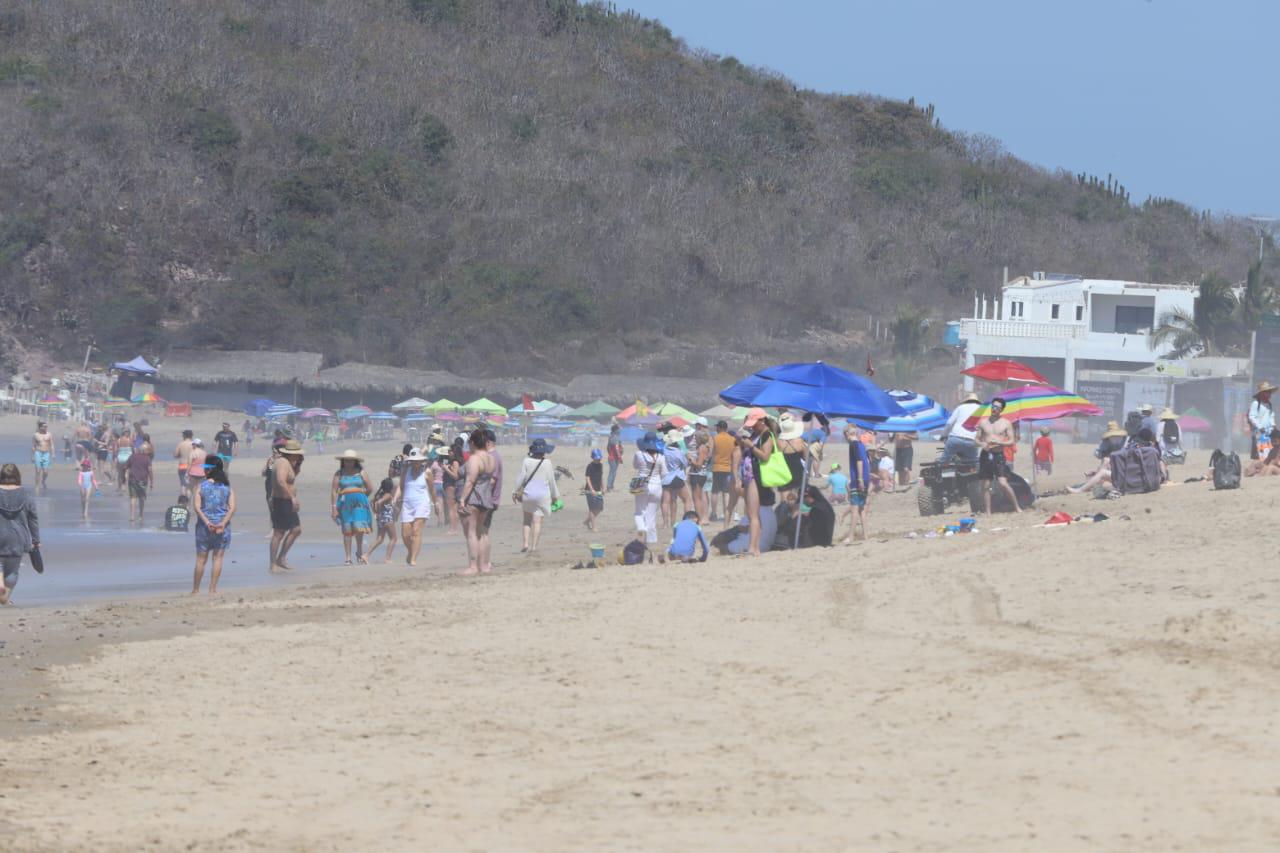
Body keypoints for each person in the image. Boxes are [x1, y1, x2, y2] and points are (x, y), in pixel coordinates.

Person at [736, 413, 782, 557]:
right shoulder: (757, 434)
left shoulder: (766, 435)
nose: (752, 426)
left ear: (762, 421)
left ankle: (753, 548)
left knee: (753, 514)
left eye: (754, 423)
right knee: (752, 514)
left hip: (756, 476)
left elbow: (765, 456)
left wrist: (751, 446)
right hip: (751, 476)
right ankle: (753, 547)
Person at [190, 455, 235, 595]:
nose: (204, 471)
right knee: (218, 558)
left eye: (206, 468)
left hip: (204, 527)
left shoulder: (200, 486)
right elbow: (232, 508)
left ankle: (196, 590)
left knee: (201, 559)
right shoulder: (227, 487)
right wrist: (222, 523)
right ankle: (212, 589)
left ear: (210, 470)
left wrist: (207, 522)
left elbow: (197, 508)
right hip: (222, 527)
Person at [458, 428, 500, 576]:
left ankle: (473, 566)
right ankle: (484, 565)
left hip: (474, 498)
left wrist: (462, 499)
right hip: (486, 497)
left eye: (469, 442)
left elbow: (470, 481)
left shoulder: (474, 458)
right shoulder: (491, 458)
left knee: (471, 533)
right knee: (481, 532)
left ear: (473, 443)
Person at [0, 463, 39, 605]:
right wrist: (36, 540)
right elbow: (33, 518)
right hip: (18, 537)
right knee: (12, 571)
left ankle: (0, 583)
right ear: (17, 476)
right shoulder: (25, 494)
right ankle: (5, 596)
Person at [975, 397, 1022, 515]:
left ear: (1001, 410)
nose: (993, 409)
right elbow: (976, 439)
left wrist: (999, 442)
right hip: (986, 454)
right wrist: (982, 444)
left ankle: (1017, 507)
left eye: (997, 407)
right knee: (985, 484)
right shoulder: (983, 422)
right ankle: (988, 512)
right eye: (993, 406)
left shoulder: (1006, 423)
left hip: (999, 455)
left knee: (1003, 483)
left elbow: (1011, 441)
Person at [515, 437, 560, 554]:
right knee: (537, 522)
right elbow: (551, 481)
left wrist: (514, 492)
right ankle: (534, 547)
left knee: (526, 521)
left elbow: (521, 478)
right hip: (542, 496)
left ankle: (525, 544)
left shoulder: (526, 461)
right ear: (544, 451)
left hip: (528, 495)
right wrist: (555, 496)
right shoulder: (547, 463)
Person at [331, 449, 374, 565]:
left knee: (359, 527)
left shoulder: (361, 472)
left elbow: (370, 487)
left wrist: (362, 497)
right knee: (347, 529)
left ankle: (359, 552)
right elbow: (334, 491)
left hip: (359, 504)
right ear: (343, 461)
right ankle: (348, 557)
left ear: (355, 461)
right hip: (345, 504)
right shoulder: (339, 473)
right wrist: (334, 507)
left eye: (351, 461)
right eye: (346, 461)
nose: (348, 463)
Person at [268, 439, 305, 573]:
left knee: (296, 530)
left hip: (285, 501)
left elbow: (291, 478)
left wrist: (298, 464)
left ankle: (281, 558)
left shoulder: (288, 463)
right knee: (279, 533)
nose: (299, 456)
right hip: (282, 501)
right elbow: (281, 481)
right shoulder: (282, 462)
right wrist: (293, 498)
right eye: (297, 454)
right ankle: (273, 563)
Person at [395, 448, 432, 567]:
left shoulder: (427, 472)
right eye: (413, 461)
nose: (415, 463)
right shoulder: (405, 471)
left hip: (422, 503)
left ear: (421, 461)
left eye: (417, 461)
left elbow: (432, 490)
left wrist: (436, 504)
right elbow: (401, 487)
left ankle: (413, 559)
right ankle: (411, 551)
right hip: (407, 504)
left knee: (416, 531)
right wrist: (394, 499)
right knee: (405, 534)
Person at [632, 430, 668, 546]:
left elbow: (635, 466)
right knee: (651, 514)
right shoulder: (661, 457)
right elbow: (664, 474)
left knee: (639, 512)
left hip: (640, 483)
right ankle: (651, 540)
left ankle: (641, 531)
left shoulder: (639, 454)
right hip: (657, 485)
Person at [839, 424, 873, 543]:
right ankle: (866, 536)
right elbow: (868, 461)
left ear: (847, 435)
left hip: (859, 479)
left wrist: (859, 479)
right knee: (861, 509)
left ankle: (851, 536)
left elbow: (859, 461)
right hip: (866, 477)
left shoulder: (853, 445)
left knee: (854, 509)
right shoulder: (861, 444)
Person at [659, 428, 691, 527]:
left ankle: (665, 523)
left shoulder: (664, 451)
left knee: (665, 502)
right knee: (687, 500)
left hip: (666, 478)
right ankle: (683, 521)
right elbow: (685, 464)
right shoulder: (679, 452)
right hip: (677, 477)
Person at [939, 393, 982, 464]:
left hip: (955, 439)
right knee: (972, 464)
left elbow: (949, 423)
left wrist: (943, 436)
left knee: (944, 462)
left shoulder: (960, 407)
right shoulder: (981, 409)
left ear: (966, 400)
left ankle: (942, 469)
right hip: (972, 441)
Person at [709, 420, 737, 524]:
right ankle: (726, 513)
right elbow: (735, 452)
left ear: (720, 428)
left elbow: (710, 452)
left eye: (717, 427)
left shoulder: (714, 438)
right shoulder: (732, 439)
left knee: (715, 491)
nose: (716, 429)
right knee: (726, 492)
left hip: (717, 467)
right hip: (728, 468)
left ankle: (714, 513)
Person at [776, 412, 808, 497]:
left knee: (784, 497)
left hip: (783, 471)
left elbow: (776, 457)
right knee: (796, 497)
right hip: (797, 470)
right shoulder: (799, 441)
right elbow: (806, 457)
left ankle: (784, 509)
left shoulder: (778, 442)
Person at [125, 436, 154, 524]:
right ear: (144, 451)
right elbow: (150, 471)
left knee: (133, 498)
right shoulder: (147, 459)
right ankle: (141, 515)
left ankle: (132, 516)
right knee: (141, 498)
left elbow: (126, 466)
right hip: (142, 481)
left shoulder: (132, 456)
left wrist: (126, 475)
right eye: (147, 450)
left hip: (132, 479)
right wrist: (152, 482)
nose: (148, 452)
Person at [369, 477, 398, 562]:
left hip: (380, 519)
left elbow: (372, 502)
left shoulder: (379, 494)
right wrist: (377, 510)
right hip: (387, 519)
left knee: (379, 539)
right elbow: (378, 502)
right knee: (393, 538)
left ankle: (366, 555)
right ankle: (387, 558)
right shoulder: (388, 495)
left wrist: (375, 512)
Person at [441, 438, 466, 535]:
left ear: (455, 452)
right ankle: (455, 528)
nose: (449, 453)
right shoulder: (455, 462)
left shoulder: (455, 462)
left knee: (452, 508)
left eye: (451, 451)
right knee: (454, 508)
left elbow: (455, 476)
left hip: (452, 485)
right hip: (453, 486)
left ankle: (453, 529)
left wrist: (446, 469)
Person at [687, 422, 711, 522]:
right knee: (698, 497)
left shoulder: (702, 448)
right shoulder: (704, 447)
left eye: (696, 437)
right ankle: (700, 518)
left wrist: (691, 459)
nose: (694, 438)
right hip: (700, 474)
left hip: (697, 474)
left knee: (696, 498)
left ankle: (699, 519)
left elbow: (699, 465)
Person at [1249, 381, 1276, 460]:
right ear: (1261, 394)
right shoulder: (1255, 404)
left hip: (1268, 432)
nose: (1269, 394)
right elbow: (1252, 417)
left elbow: (1271, 416)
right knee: (1262, 454)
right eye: (1267, 392)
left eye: (1269, 392)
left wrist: (1273, 425)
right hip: (1260, 433)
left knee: (1268, 452)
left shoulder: (1269, 405)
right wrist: (1260, 427)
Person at [583, 448, 604, 532]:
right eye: (597, 458)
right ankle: (594, 527)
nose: (598, 459)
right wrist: (591, 489)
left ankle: (587, 521)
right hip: (589, 490)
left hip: (598, 489)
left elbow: (601, 477)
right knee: (592, 509)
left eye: (599, 458)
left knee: (600, 508)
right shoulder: (590, 466)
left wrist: (603, 487)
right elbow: (587, 478)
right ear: (593, 457)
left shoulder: (600, 465)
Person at [31, 421, 53, 494]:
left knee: (45, 471)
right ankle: (37, 486)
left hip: (46, 453)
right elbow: (33, 446)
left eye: (46, 426)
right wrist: (32, 456)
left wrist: (53, 454)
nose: (46, 428)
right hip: (38, 453)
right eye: (44, 426)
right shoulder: (36, 435)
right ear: (40, 427)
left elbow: (52, 445)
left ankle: (43, 481)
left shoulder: (49, 434)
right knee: (38, 471)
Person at [174, 429, 195, 494]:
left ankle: (183, 501)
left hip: (182, 466)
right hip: (191, 466)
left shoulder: (181, 444)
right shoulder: (194, 444)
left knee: (183, 484)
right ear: (191, 436)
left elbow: (175, 454)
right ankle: (189, 502)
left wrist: (181, 455)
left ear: (184, 436)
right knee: (189, 485)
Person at [187, 438, 207, 503]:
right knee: (199, 489)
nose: (192, 446)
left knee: (190, 489)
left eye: (193, 444)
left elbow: (189, 464)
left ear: (195, 445)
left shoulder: (193, 452)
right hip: (202, 473)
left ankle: (188, 504)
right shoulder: (204, 453)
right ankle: (197, 504)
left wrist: (186, 473)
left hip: (193, 473)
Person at [606, 424, 624, 492]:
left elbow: (607, 447)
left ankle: (611, 486)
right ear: (616, 430)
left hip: (612, 457)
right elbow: (616, 448)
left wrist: (610, 453)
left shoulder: (611, 436)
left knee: (613, 472)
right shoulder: (615, 437)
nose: (620, 430)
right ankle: (609, 486)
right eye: (619, 429)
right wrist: (619, 457)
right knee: (612, 472)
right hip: (614, 458)